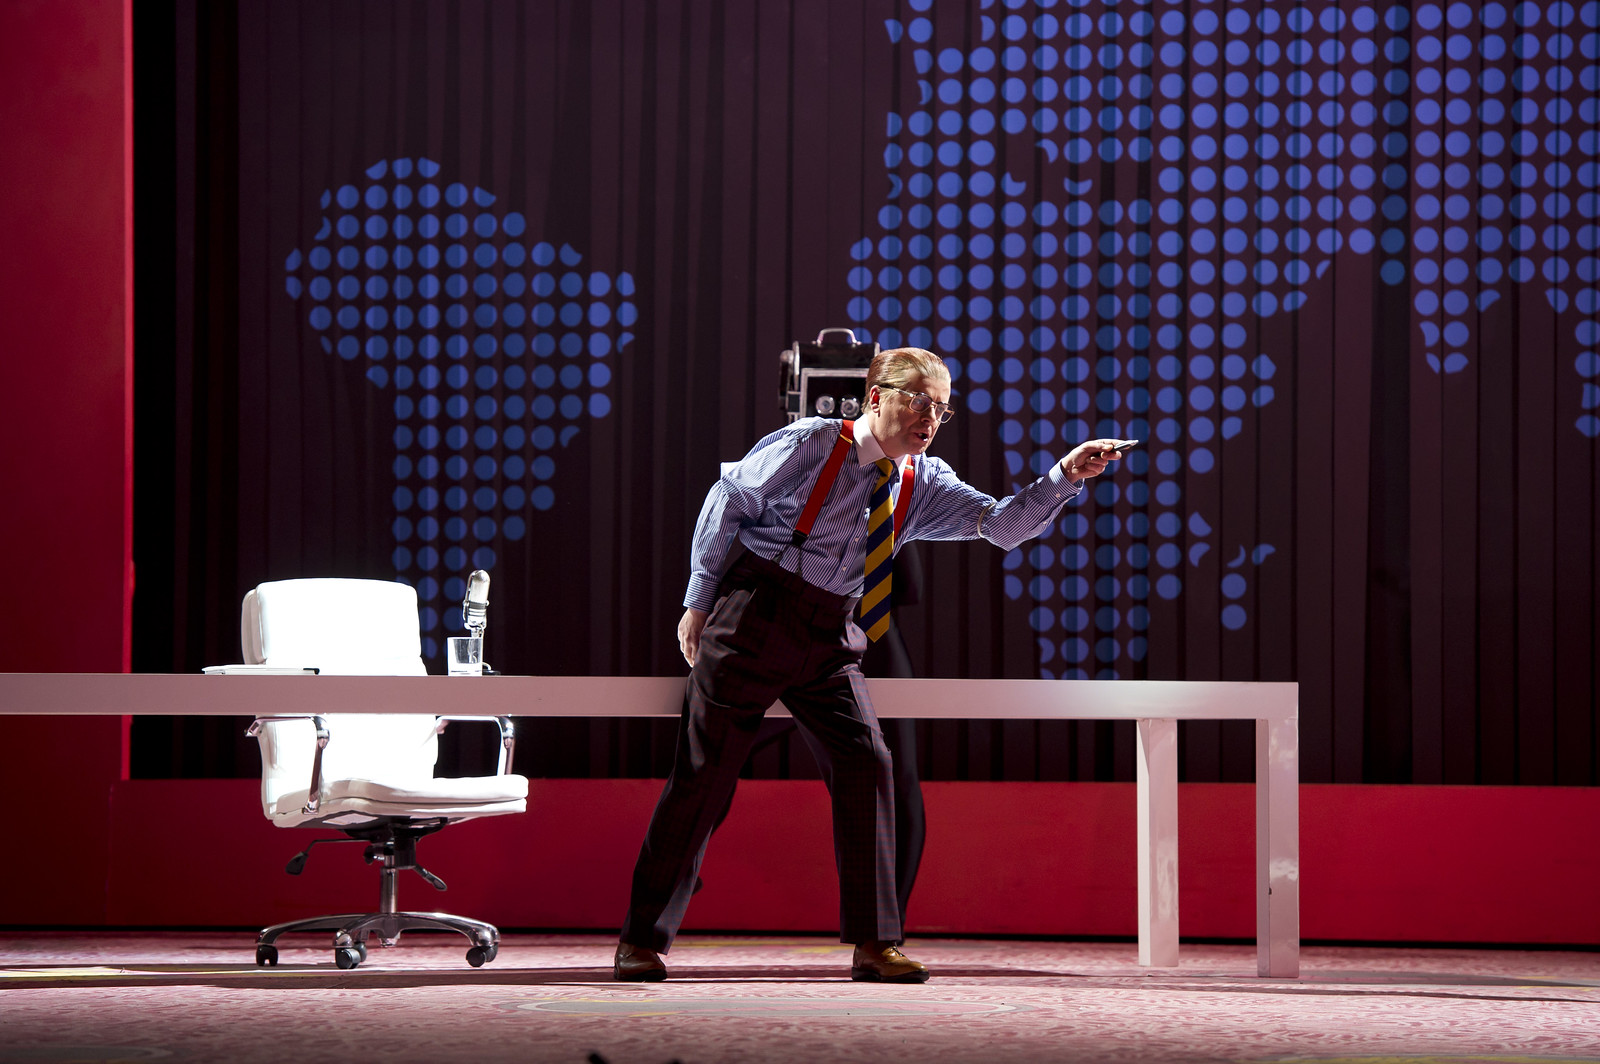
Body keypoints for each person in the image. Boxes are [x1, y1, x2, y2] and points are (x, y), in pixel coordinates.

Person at [615, 346, 1127, 983]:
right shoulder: (810, 443)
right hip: (756, 615)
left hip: (831, 632)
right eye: (919, 401)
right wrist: (698, 603)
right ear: (877, 397)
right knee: (704, 774)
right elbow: (727, 503)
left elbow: (1000, 526)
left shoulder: (923, 479)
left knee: (868, 763)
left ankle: (876, 943)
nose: (930, 418)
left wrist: (1065, 477)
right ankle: (641, 939)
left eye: (941, 409)